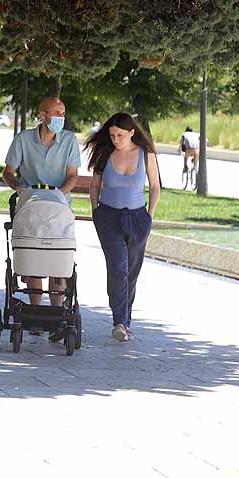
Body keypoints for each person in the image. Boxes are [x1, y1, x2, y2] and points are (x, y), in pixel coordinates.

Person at [1, 96, 81, 339]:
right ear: (43, 115)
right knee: (34, 258)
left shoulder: (69, 141)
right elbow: (8, 173)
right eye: (56, 113)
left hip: (59, 208)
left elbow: (72, 176)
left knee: (57, 260)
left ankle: (58, 314)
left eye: (62, 112)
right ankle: (34, 314)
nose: (60, 117)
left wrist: (59, 193)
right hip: (31, 206)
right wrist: (19, 187)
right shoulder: (24, 140)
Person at [86, 112, 161, 342]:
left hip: (138, 218)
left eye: (119, 135)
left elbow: (155, 186)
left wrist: (149, 215)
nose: (115, 139)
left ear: (131, 133)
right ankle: (119, 321)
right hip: (108, 217)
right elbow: (95, 185)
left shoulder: (146, 154)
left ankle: (125, 321)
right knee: (118, 267)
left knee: (131, 271)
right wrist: (96, 211)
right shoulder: (105, 153)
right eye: (111, 135)